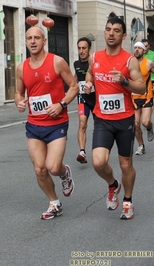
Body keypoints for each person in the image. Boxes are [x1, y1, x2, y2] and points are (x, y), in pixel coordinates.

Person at [84, 17, 145, 220]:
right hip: (102, 119)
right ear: (104, 32)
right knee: (98, 162)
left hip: (125, 120)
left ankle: (127, 201)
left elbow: (142, 87)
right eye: (108, 29)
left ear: (124, 35)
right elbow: (90, 74)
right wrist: (89, 84)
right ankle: (113, 184)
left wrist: (125, 81)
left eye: (116, 30)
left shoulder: (130, 60)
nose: (111, 33)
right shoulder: (94, 57)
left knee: (125, 164)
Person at [15, 26, 78, 220]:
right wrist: (18, 101)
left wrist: (61, 104)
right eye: (29, 38)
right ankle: (54, 202)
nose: (32, 41)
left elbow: (74, 87)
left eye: (36, 38)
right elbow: (19, 92)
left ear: (44, 41)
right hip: (34, 124)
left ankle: (63, 172)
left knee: (52, 166)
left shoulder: (57, 62)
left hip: (57, 123)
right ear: (25, 42)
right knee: (39, 169)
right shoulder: (21, 67)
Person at [74, 37, 96, 164]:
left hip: (96, 99)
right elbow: (75, 78)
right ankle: (82, 151)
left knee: (99, 126)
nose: (81, 51)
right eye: (79, 48)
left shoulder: (94, 63)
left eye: (84, 48)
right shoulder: (76, 64)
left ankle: (100, 149)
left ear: (89, 49)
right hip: (82, 98)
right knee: (82, 124)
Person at [131, 41, 154, 155]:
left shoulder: (149, 63)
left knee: (145, 122)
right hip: (133, 98)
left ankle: (150, 128)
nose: (136, 50)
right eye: (135, 48)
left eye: (139, 48)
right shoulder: (129, 63)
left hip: (146, 96)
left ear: (143, 50)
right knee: (136, 124)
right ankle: (141, 146)